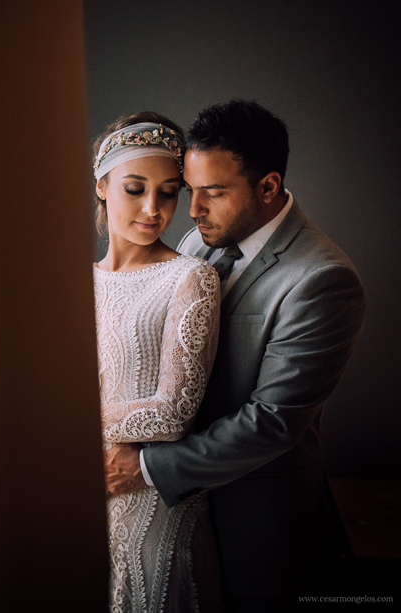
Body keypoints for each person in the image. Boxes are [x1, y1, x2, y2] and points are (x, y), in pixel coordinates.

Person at [103, 100, 366, 612]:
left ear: (268, 187)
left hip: (257, 527)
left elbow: (271, 422)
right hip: (179, 518)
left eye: (213, 194)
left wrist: (144, 468)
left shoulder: (322, 279)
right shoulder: (197, 245)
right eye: (191, 191)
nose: (192, 209)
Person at [92, 112, 222, 612]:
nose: (152, 208)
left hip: (152, 501)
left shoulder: (190, 279)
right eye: (134, 188)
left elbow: (172, 413)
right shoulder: (75, 282)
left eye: (168, 192)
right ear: (102, 186)